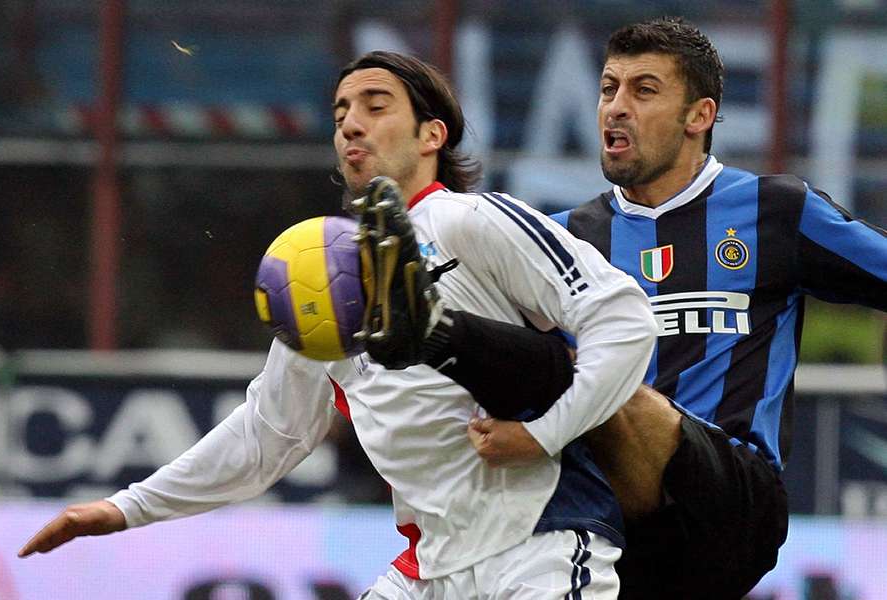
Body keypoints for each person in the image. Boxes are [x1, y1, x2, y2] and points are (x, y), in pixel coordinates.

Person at [19, 51, 659, 599]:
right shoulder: (324, 273)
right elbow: (268, 433)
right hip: (429, 567)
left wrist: (544, 434)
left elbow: (624, 317)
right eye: (340, 113)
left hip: (541, 543)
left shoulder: (474, 220)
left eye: (376, 105)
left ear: (432, 134)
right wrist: (125, 507)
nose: (351, 123)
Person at [378, 17, 886, 600]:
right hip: (610, 521)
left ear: (699, 116)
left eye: (643, 91)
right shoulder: (565, 238)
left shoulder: (775, 211)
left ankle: (431, 324)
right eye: (608, 89)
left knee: (591, 369)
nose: (615, 108)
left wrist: (540, 431)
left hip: (730, 502)